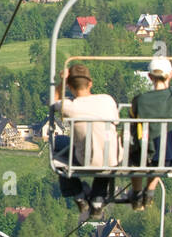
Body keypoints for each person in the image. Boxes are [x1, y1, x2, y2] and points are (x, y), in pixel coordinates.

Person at [51, 62, 120, 215]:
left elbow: (53, 101)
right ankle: (97, 198)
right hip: (112, 159)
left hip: (85, 159)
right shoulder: (107, 100)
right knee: (106, 149)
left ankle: (78, 194)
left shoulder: (71, 106)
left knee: (59, 142)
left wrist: (62, 81)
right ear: (90, 83)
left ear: (69, 86)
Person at [129, 56, 172, 207]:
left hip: (143, 156)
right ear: (170, 75)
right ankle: (150, 189)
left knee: (136, 155)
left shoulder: (139, 100)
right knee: (161, 151)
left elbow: (132, 125)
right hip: (168, 157)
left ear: (149, 76)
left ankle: (137, 192)